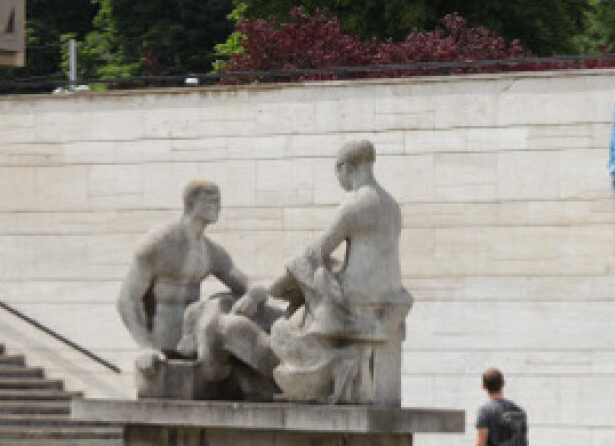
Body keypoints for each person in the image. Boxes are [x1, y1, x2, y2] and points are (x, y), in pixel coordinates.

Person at [268, 139, 413, 404]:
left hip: (357, 296)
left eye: (337, 171)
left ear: (345, 167)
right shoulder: (392, 206)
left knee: (310, 274)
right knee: (326, 269)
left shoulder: (355, 204)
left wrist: (281, 281)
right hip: (389, 293)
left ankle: (325, 361)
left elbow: (317, 251)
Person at [116, 180, 277, 398]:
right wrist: (145, 346)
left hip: (195, 345)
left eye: (219, 201)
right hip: (163, 348)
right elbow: (127, 300)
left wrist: (253, 296)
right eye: (211, 201)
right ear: (191, 203)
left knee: (238, 322)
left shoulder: (210, 251)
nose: (218, 207)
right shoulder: (159, 243)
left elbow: (250, 284)